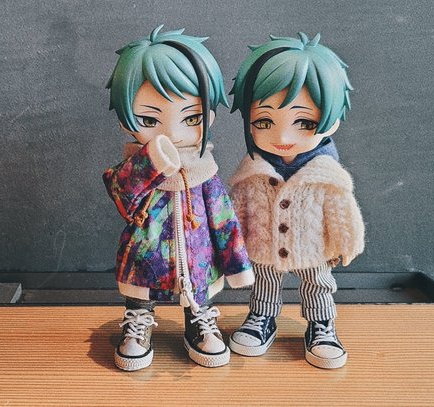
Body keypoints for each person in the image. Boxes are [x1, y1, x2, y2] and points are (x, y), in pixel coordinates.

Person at [103, 25, 254, 371]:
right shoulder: (136, 167)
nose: (171, 132)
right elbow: (121, 195)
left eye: (192, 117)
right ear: (126, 119)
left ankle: (199, 322)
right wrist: (151, 162)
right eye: (148, 118)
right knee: (140, 292)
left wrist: (237, 265)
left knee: (199, 291)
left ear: (209, 115)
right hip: (146, 251)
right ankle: (138, 322)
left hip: (198, 257)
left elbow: (224, 220)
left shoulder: (205, 174)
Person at [227, 32, 365, 369]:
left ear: (332, 118)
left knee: (318, 284)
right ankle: (262, 318)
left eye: (304, 122)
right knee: (264, 283)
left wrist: (348, 243)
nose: (283, 137)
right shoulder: (250, 172)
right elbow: (236, 212)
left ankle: (321, 325)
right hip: (263, 247)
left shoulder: (327, 176)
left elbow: (342, 213)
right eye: (264, 121)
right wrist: (231, 244)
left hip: (313, 248)